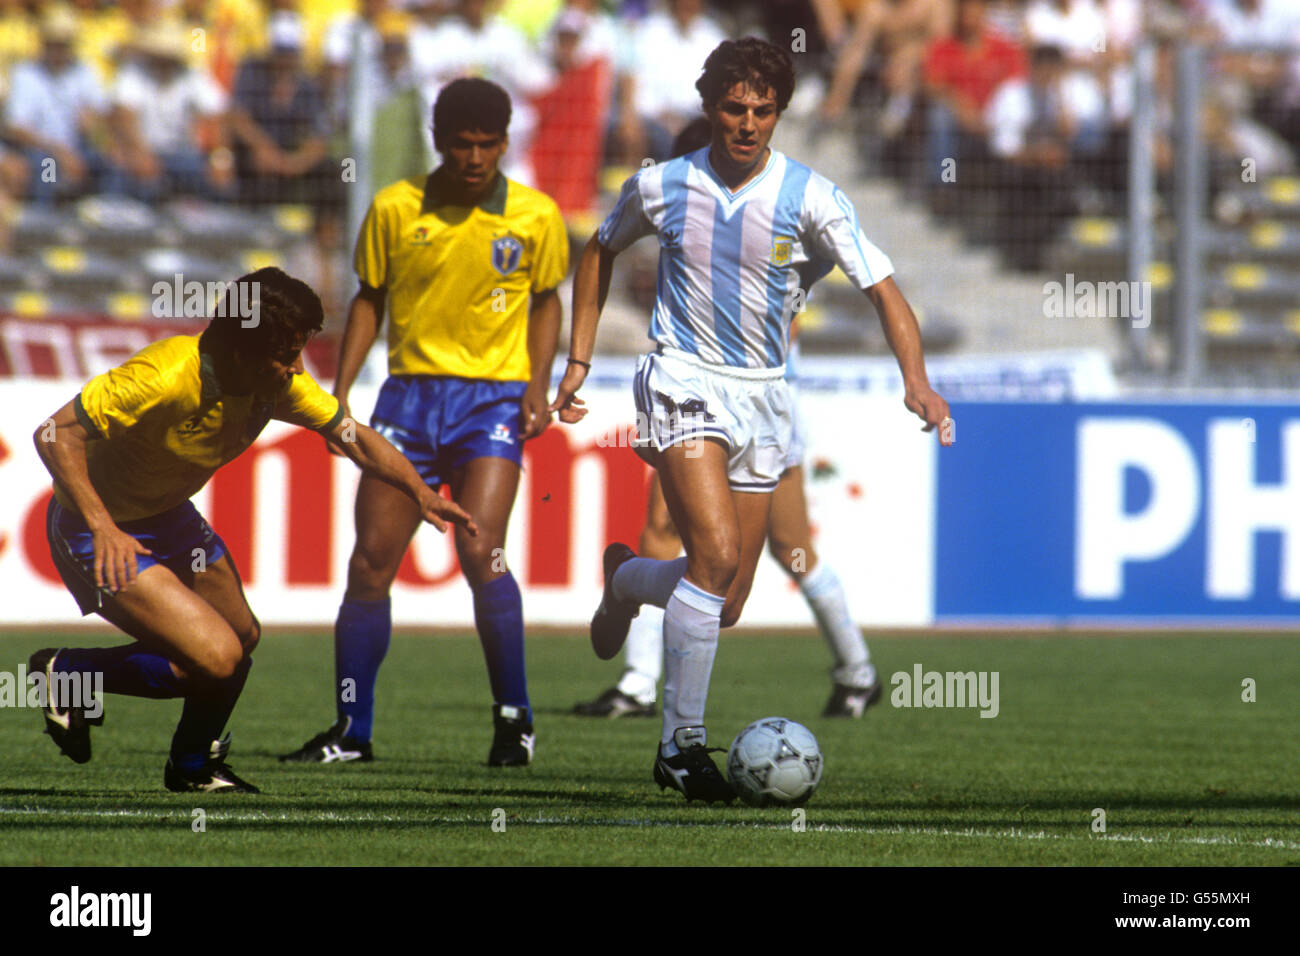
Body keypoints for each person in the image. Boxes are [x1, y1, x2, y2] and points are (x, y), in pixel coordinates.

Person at [551, 37, 952, 803]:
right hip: (682, 379)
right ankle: (680, 747)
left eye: (763, 111)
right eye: (734, 108)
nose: (747, 123)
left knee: (725, 597)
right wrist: (576, 363)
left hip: (766, 395)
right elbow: (597, 252)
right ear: (710, 109)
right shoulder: (664, 185)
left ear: (779, 114)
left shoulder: (813, 198)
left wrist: (918, 381)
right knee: (716, 555)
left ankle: (629, 581)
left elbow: (886, 290)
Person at [31, 267, 475, 793]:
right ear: (242, 349)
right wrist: (103, 527)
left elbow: (353, 437)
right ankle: (68, 673)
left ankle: (192, 768)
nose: (295, 369)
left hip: (168, 517)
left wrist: (421, 491)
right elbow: (55, 433)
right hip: (93, 528)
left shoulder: (275, 383)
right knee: (217, 658)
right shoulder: (164, 374)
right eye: (286, 354)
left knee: (241, 637)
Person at [280, 77, 569, 768]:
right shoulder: (393, 207)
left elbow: (548, 301)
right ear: (440, 142)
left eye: (488, 145)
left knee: (481, 552)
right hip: (407, 401)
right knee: (370, 563)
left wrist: (538, 383)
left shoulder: (536, 216)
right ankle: (352, 730)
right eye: (463, 144)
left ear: (505, 143)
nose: (475, 158)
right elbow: (369, 301)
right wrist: (340, 395)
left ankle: (514, 719)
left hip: (492, 401)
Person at [574, 118, 882, 721]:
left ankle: (640, 665)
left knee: (755, 549)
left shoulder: (756, 215)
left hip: (754, 407)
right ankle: (855, 671)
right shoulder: (694, 210)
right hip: (720, 404)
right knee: (739, 546)